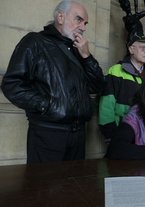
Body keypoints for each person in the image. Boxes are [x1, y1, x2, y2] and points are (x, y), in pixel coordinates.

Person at [1, 1, 105, 164]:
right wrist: (47, 105)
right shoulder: (34, 42)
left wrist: (87, 57)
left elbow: (97, 85)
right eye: (78, 20)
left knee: (74, 186)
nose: (83, 27)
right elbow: (12, 84)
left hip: (78, 135)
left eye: (85, 23)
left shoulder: (78, 50)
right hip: (48, 133)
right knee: (45, 186)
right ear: (61, 17)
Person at [98, 33, 145, 142]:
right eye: (143, 48)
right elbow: (106, 104)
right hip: (122, 130)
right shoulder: (115, 71)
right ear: (131, 49)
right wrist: (110, 133)